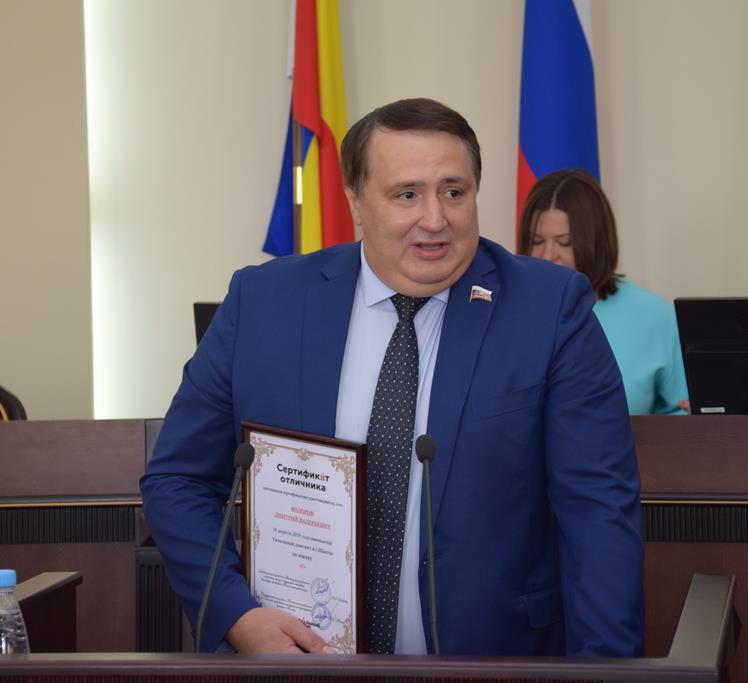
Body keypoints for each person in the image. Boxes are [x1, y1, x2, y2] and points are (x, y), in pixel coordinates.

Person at [141, 98, 644, 657]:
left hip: (492, 664)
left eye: (454, 192)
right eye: (407, 194)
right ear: (355, 201)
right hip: (302, 667)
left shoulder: (549, 311)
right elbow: (179, 480)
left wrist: (606, 672)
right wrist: (236, 616)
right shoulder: (263, 303)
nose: (435, 218)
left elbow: (599, 510)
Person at [519, 169, 689, 415]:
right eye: (536, 241)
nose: (547, 256)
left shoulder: (654, 316)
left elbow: (683, 414)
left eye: (565, 242)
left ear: (596, 242)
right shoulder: (508, 312)